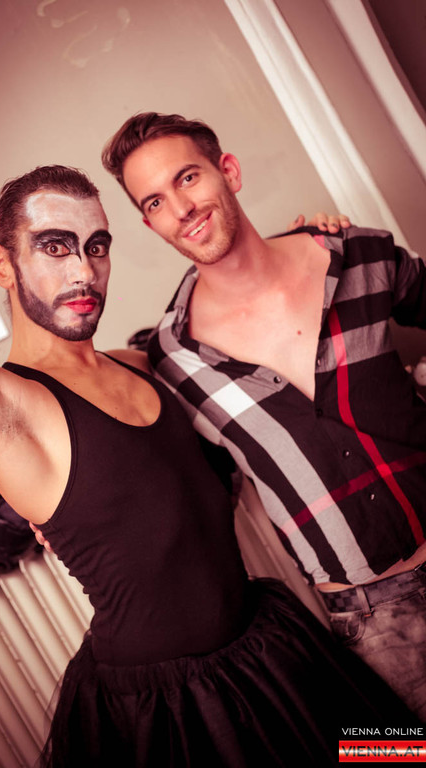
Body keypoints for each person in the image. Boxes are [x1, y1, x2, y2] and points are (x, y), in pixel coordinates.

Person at [0, 164, 416, 767]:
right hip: (176, 710)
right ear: (2, 263)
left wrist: (307, 249)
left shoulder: (142, 363)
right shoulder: (0, 409)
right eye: (54, 247)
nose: (83, 271)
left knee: (394, 754)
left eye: (96, 246)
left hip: (272, 646)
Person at [101, 112, 426, 720]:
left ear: (228, 171)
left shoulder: (355, 254)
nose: (181, 208)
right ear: (149, 223)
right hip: (370, 621)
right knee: (389, 755)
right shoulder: (173, 362)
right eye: (156, 201)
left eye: (188, 177)